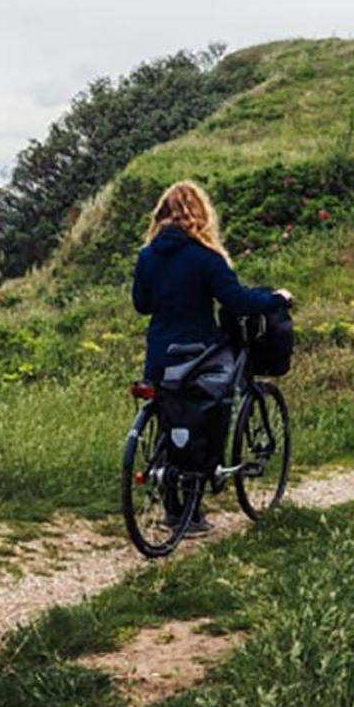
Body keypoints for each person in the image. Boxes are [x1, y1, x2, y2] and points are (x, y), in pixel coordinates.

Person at [131, 179, 289, 535]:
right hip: (199, 354)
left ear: (163, 214)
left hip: (159, 353)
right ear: (200, 215)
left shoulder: (147, 255)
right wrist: (276, 299)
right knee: (204, 420)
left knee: (169, 417)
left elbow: (141, 306)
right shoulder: (206, 257)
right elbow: (238, 301)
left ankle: (173, 507)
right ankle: (191, 511)